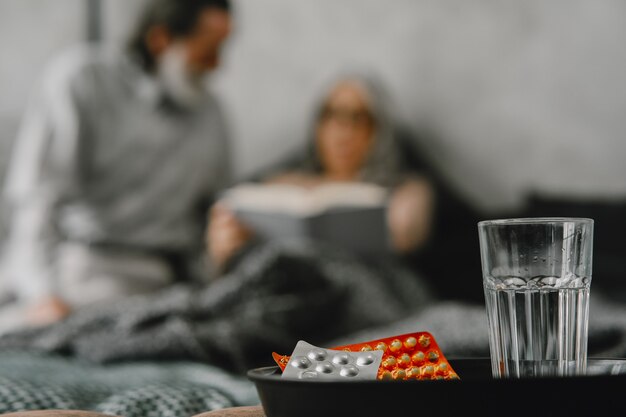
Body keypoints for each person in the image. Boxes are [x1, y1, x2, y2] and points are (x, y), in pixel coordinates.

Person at [0, 0, 234, 333]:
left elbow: (213, 213)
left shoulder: (212, 116)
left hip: (165, 288)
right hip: (76, 271)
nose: (217, 64)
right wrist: (42, 294)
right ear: (161, 40)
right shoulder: (82, 81)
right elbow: (37, 199)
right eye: (208, 50)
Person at [207, 71, 436, 275]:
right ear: (318, 126)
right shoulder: (282, 183)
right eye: (331, 115)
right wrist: (224, 247)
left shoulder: (406, 189)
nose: (343, 132)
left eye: (358, 118)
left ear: (380, 129)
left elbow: (405, 233)